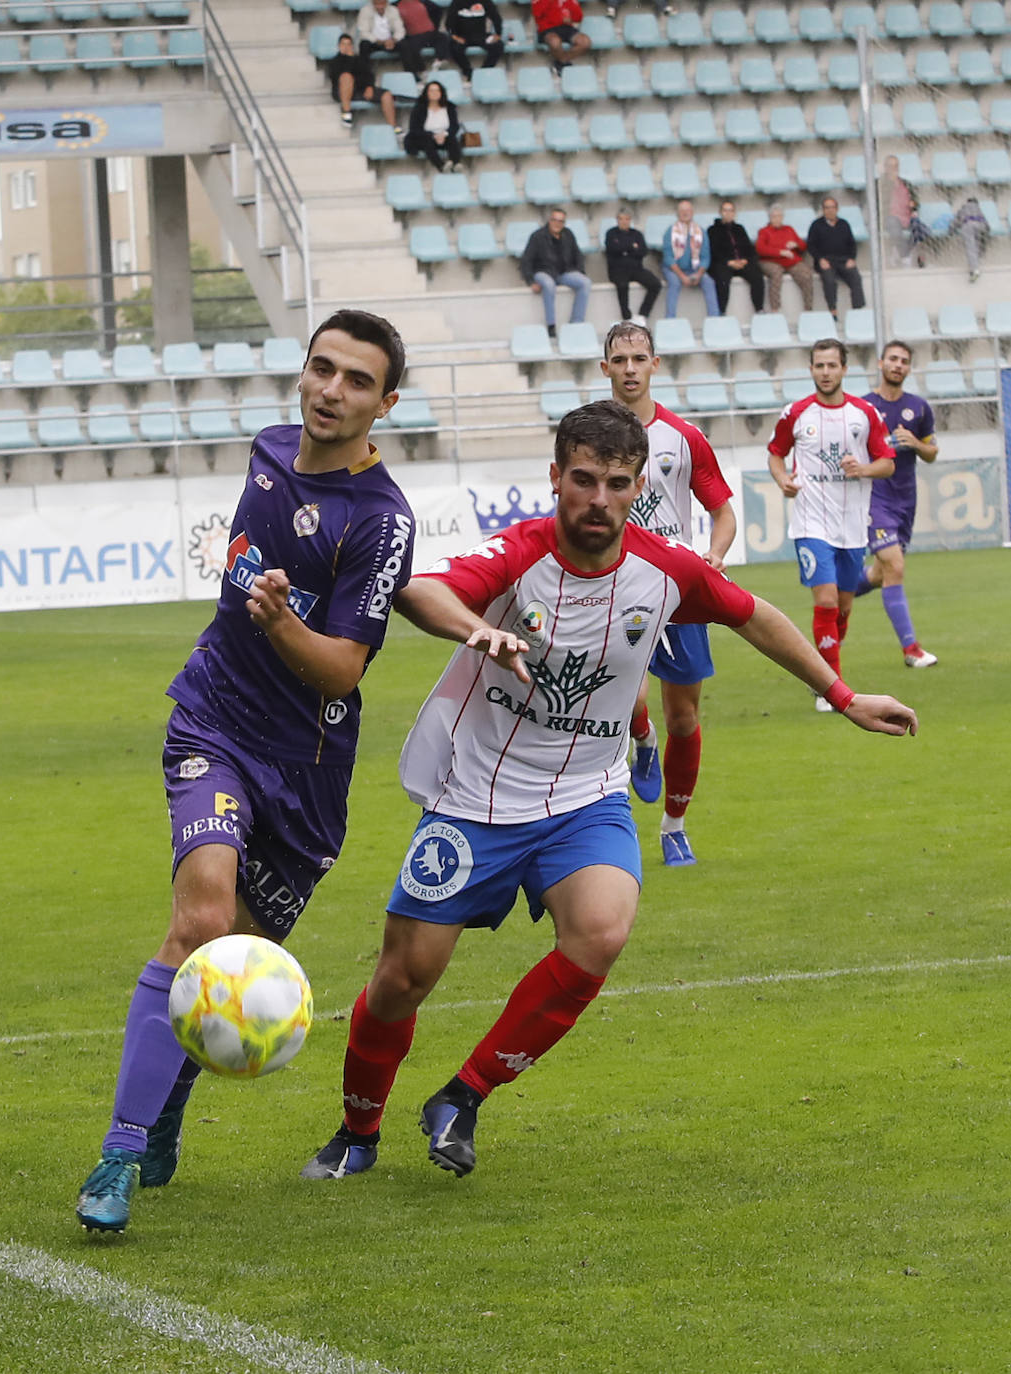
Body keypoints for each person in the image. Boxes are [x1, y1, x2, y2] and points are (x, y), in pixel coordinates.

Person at [299, 400, 917, 1184]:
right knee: (403, 979)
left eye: (615, 483)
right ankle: (357, 1131)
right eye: (581, 480)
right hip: (476, 799)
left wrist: (841, 694)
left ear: (636, 488)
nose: (596, 499)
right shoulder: (517, 554)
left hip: (586, 798)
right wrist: (474, 628)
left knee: (600, 932)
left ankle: (462, 1096)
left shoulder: (662, 570)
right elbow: (422, 590)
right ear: (555, 477)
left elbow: (754, 616)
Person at [74, 310, 417, 1235]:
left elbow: (344, 664)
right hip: (214, 723)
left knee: (227, 966)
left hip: (306, 777)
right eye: (320, 369)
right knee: (200, 922)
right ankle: (117, 1150)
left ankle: (167, 1109)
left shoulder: (382, 523)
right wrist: (261, 622)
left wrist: (281, 622)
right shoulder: (268, 448)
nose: (329, 391)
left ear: (385, 403)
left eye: (354, 381)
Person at [601, 321, 736, 867]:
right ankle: (640, 738)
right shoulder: (587, 433)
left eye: (639, 358)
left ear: (655, 364)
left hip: (675, 587)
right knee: (623, 699)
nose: (630, 368)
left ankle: (674, 825)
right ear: (604, 367)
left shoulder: (684, 438)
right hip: (609, 583)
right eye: (620, 359)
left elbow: (721, 512)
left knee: (684, 718)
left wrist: (716, 554)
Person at [767, 338, 896, 711]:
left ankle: (824, 667)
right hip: (811, 523)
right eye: (819, 366)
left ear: (844, 369)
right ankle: (831, 688)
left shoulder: (864, 413)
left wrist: (864, 468)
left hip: (852, 525)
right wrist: (782, 481)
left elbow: (887, 462)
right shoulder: (796, 413)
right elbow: (776, 453)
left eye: (831, 365)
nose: (825, 372)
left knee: (841, 609)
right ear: (811, 369)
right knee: (824, 600)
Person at [856, 341, 939, 667]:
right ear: (881, 363)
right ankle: (911, 650)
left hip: (906, 501)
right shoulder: (863, 407)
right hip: (875, 497)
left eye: (904, 361)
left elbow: (932, 453)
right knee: (895, 565)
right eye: (893, 359)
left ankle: (835, 595)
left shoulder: (918, 408)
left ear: (908, 368)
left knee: (880, 573)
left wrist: (915, 443)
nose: (898, 365)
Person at [520, 207, 591, 341]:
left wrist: (580, 271)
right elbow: (526, 260)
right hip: (543, 271)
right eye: (554, 220)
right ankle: (551, 325)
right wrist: (530, 281)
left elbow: (578, 255)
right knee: (548, 284)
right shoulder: (538, 236)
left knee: (585, 282)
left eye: (561, 221)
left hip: (564, 272)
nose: (557, 223)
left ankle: (576, 323)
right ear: (549, 220)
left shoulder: (568, 234)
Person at [806, 196, 866, 324]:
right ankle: (833, 311)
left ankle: (858, 311)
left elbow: (852, 244)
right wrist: (820, 259)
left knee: (855, 277)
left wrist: (851, 259)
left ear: (837, 209)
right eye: (827, 208)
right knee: (829, 279)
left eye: (832, 207)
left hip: (843, 260)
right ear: (823, 210)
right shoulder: (816, 225)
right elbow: (811, 246)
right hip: (825, 260)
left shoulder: (844, 224)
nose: (830, 210)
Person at [327, 33, 400, 131]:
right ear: (339, 46)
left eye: (348, 44)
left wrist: (369, 87)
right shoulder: (334, 61)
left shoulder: (359, 59)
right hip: (342, 91)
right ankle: (346, 113)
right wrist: (349, 59)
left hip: (360, 90)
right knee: (346, 76)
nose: (346, 47)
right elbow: (336, 76)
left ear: (352, 46)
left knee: (386, 94)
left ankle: (393, 127)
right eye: (343, 44)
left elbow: (369, 74)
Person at [661, 199, 719, 319]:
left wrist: (699, 274)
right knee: (675, 282)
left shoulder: (700, 231)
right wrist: (682, 276)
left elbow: (705, 256)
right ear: (677, 213)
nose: (685, 213)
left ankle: (714, 318)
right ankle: (670, 319)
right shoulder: (670, 232)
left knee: (709, 282)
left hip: (694, 269)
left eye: (688, 210)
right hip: (674, 269)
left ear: (692, 212)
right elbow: (668, 258)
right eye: (682, 210)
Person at [707, 199, 764, 316]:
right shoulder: (712, 230)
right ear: (720, 212)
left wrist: (745, 260)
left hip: (742, 262)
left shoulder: (739, 228)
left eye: (731, 211)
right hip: (724, 263)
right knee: (722, 278)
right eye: (725, 210)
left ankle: (759, 309)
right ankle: (722, 311)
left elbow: (749, 247)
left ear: (734, 213)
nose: (728, 213)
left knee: (757, 275)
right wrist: (729, 262)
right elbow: (714, 250)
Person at [604, 208, 661, 323]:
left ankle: (642, 314)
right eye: (621, 219)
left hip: (636, 269)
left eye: (627, 219)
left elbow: (643, 251)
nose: (624, 222)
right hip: (617, 270)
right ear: (617, 220)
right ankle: (627, 317)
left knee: (655, 284)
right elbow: (612, 249)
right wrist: (632, 247)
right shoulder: (611, 233)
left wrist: (624, 249)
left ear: (630, 220)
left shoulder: (637, 234)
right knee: (622, 285)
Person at [755, 204, 813, 313]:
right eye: (774, 216)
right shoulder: (764, 231)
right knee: (776, 272)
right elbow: (760, 249)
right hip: (770, 261)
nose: (777, 219)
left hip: (790, 261)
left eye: (779, 216)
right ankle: (775, 309)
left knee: (806, 274)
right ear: (770, 218)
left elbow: (803, 245)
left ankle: (808, 308)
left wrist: (795, 244)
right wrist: (780, 252)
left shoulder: (789, 229)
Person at [403, 79, 463, 170]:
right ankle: (441, 166)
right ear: (426, 93)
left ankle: (456, 163)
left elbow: (455, 126)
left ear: (441, 92)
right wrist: (433, 135)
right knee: (427, 141)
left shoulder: (449, 107)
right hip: (425, 137)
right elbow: (414, 129)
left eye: (437, 90)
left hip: (444, 136)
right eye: (431, 91)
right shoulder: (419, 108)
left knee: (452, 139)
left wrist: (444, 134)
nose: (434, 93)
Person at [445, 0, 504, 79]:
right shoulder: (457, 2)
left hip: (481, 36)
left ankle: (482, 73)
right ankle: (468, 72)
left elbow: (496, 18)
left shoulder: (485, 1)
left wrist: (498, 34)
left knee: (498, 45)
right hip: (462, 36)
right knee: (454, 47)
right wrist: (454, 36)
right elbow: (449, 22)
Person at [879, 154, 918, 268]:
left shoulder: (906, 183)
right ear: (885, 167)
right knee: (894, 224)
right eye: (890, 166)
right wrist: (892, 182)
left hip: (906, 216)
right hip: (889, 216)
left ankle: (898, 251)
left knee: (920, 229)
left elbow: (916, 200)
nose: (893, 169)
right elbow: (882, 200)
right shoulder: (881, 183)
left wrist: (914, 207)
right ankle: (904, 257)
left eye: (896, 166)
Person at [531, 0, 590, 74]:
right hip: (547, 29)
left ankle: (561, 61)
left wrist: (571, 19)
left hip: (566, 28)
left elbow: (579, 17)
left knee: (585, 42)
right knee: (554, 42)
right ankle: (564, 63)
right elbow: (537, 13)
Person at [397, 0, 448, 74]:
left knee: (442, 37)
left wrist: (435, 26)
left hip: (429, 33)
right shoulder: (396, 6)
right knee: (411, 47)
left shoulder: (423, 2)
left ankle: (439, 61)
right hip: (413, 36)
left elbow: (438, 10)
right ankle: (422, 70)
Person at [950, 196, 989, 283]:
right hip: (981, 225)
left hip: (968, 225)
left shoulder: (964, 208)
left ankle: (974, 269)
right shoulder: (979, 209)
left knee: (970, 247)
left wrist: (951, 230)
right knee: (978, 244)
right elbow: (986, 223)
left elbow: (956, 220)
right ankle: (978, 263)